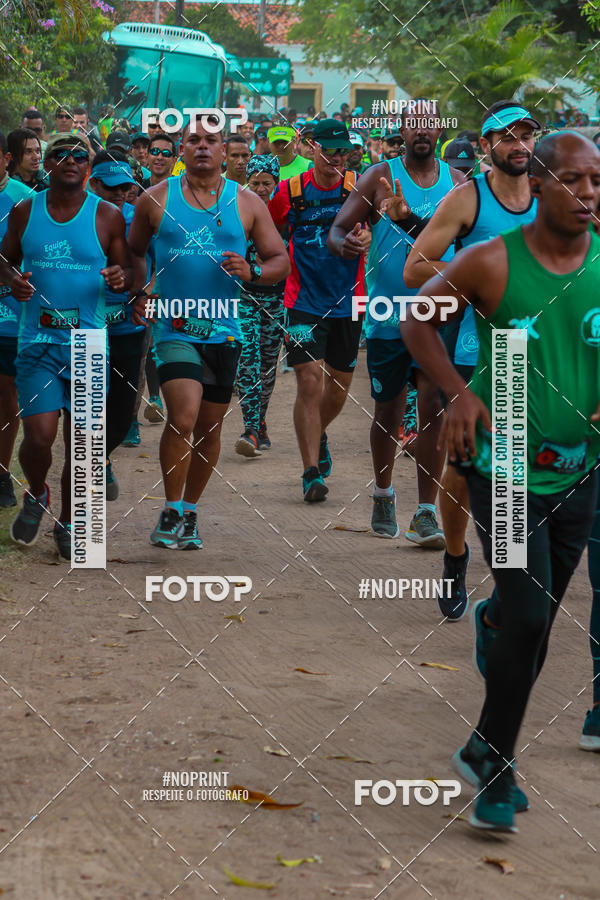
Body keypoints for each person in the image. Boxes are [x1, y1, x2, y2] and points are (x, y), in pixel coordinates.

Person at [401, 131, 600, 833]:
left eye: (597, 183)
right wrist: (457, 392)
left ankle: (489, 747)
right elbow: (418, 317)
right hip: (507, 456)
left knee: (534, 624)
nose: (587, 195)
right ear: (540, 184)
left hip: (581, 467)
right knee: (531, 615)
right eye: (574, 181)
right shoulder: (492, 261)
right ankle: (497, 768)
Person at [127, 116, 289, 550]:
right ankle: (170, 508)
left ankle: (191, 512)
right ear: (181, 150)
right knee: (182, 416)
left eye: (210, 141)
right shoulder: (154, 200)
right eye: (193, 140)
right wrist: (141, 287)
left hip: (224, 330)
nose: (202, 146)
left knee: (209, 429)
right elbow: (132, 253)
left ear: (223, 151)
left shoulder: (248, 203)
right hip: (174, 324)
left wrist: (253, 270)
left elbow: (280, 261)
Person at [404, 101, 539, 618]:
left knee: (514, 473)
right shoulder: (467, 200)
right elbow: (416, 268)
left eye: (525, 134)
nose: (517, 144)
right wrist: (477, 273)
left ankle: (510, 582)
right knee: (462, 472)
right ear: (485, 146)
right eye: (505, 136)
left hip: (537, 356)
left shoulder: (552, 197)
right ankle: (457, 559)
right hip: (475, 355)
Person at [328, 100, 466, 544]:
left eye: (428, 124)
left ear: (439, 130)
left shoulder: (458, 184)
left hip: (437, 313)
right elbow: (337, 229)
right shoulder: (379, 177)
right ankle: (384, 493)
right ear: (401, 131)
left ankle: (426, 511)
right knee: (388, 410)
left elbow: (470, 246)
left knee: (432, 408)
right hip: (389, 315)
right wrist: (349, 243)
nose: (421, 132)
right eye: (412, 125)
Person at [0, 132, 132, 559]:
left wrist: (119, 278)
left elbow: (124, 269)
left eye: (79, 155)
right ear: (48, 165)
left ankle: (72, 521)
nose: (70, 160)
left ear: (88, 168)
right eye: (61, 155)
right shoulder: (24, 212)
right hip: (36, 341)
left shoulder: (108, 215)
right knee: (40, 437)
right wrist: (13, 280)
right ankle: (37, 493)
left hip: (89, 344)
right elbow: (3, 260)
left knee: (83, 442)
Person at [269, 118, 369, 501]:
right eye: (329, 150)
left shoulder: (356, 189)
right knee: (309, 380)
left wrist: (366, 235)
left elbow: (374, 223)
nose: (337, 158)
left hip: (349, 300)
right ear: (311, 148)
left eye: (343, 151)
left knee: (338, 390)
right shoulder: (289, 191)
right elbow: (272, 231)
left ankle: (318, 432)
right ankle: (311, 473)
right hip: (302, 301)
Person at [87, 150, 147, 500]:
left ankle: (102, 456)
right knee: (89, 402)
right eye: (110, 187)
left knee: (123, 411)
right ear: (92, 183)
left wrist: (144, 293)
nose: (119, 193)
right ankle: (87, 468)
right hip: (86, 328)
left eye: (125, 186)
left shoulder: (137, 219)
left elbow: (149, 266)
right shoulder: (77, 218)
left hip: (127, 327)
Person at [235, 155, 286, 456]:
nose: (260, 188)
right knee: (248, 362)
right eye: (254, 183)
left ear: (276, 183)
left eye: (266, 183)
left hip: (276, 300)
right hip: (244, 298)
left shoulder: (283, 215)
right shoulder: (239, 211)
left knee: (267, 366)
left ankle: (260, 420)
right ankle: (250, 428)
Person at [0, 131, 32, 507]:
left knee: (7, 397)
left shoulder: (26, 200)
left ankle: (3, 473)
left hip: (12, 316)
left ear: (7, 158)